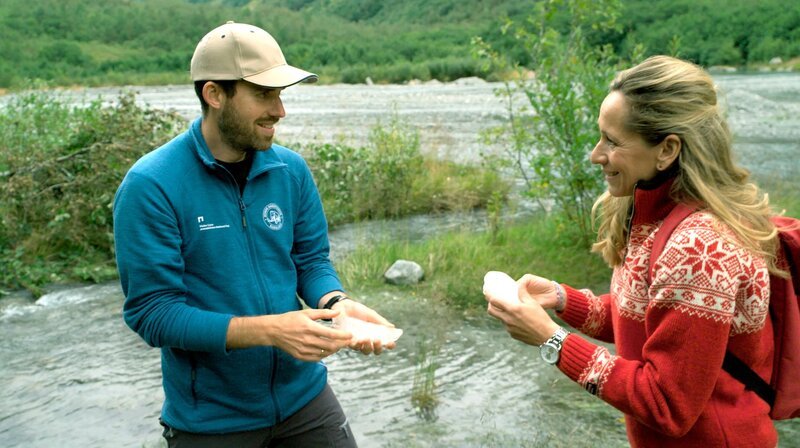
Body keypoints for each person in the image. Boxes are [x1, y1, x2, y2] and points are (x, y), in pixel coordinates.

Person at [113, 21, 396, 447]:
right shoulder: (152, 185)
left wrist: (336, 303)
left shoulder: (290, 171)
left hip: (305, 401)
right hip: (211, 422)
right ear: (214, 94)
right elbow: (154, 314)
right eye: (264, 94)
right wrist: (271, 330)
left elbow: (310, 261)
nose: (279, 111)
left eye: (280, 94)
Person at [484, 56, 783, 447]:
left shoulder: (699, 246)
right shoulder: (655, 217)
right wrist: (561, 299)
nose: (596, 154)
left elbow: (667, 405)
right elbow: (649, 320)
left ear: (667, 149)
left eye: (612, 141)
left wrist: (552, 340)